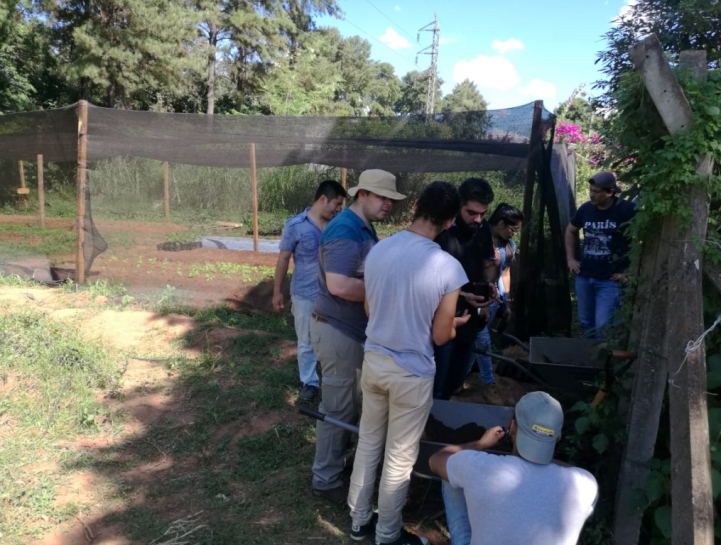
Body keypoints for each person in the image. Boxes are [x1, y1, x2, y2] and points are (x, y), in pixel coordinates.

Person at [347, 182, 470, 545]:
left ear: (415, 205)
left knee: (369, 442)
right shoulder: (449, 267)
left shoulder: (380, 250)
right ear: (449, 222)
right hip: (412, 373)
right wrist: (457, 324)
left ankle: (358, 523)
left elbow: (370, 309)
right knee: (399, 457)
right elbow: (440, 335)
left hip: (374, 361)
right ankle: (387, 534)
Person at [311, 169, 406, 504]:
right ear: (362, 194)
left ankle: (341, 465)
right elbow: (338, 285)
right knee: (338, 409)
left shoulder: (363, 226)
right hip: (337, 330)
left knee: (351, 405)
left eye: (391, 199)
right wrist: (388, 291)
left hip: (351, 330)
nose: (388, 205)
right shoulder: (345, 229)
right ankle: (326, 479)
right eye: (383, 197)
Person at [429, 391, 598, 545]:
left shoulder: (480, 467)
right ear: (558, 437)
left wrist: (481, 444)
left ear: (512, 427)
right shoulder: (585, 484)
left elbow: (436, 460)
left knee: (452, 474)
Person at [272, 180, 347, 400]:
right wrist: (277, 291)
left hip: (332, 294)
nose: (338, 209)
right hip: (305, 293)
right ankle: (309, 382)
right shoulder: (295, 225)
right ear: (323, 199)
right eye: (337, 204)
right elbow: (283, 259)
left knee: (333, 338)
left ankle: (333, 379)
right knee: (306, 340)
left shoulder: (337, 225)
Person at [433, 177, 498, 400]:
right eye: (471, 213)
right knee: (436, 382)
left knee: (456, 379)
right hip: (442, 317)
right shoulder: (441, 230)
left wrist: (489, 286)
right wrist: (461, 294)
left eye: (482, 214)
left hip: (470, 318)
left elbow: (488, 262)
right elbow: (428, 280)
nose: (477, 219)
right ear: (459, 205)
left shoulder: (484, 228)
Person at [565, 172, 636, 339]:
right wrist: (570, 258)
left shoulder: (626, 210)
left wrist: (630, 271)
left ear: (610, 192)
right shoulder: (586, 209)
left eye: (596, 191)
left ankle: (601, 363)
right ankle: (588, 359)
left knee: (603, 326)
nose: (591, 194)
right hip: (584, 277)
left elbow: (642, 240)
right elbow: (570, 230)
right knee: (585, 322)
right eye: (590, 190)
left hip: (610, 281)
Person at [474, 203, 523, 405]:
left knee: (476, 342)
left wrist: (506, 301)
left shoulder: (508, 244)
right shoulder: (479, 239)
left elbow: (504, 273)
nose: (514, 233)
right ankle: (488, 384)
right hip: (476, 299)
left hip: (495, 299)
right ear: (501, 223)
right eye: (512, 229)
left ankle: (459, 379)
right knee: (482, 339)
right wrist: (482, 302)